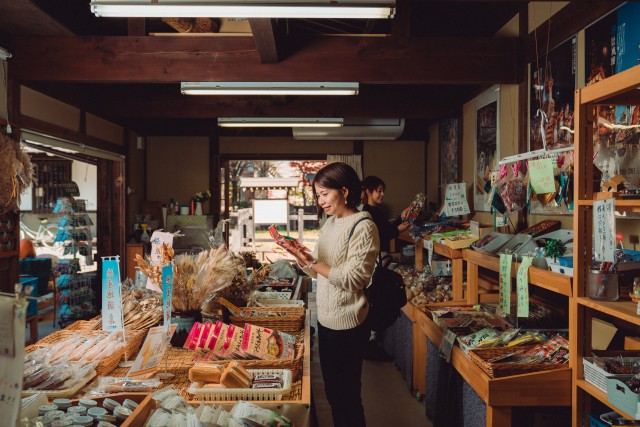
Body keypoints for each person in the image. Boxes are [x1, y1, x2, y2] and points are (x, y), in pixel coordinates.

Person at [282, 162, 379, 427]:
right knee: (334, 395)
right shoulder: (330, 224)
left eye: (325, 194)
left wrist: (315, 264)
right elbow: (322, 273)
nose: (320, 200)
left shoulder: (363, 227)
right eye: (317, 195)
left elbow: (354, 279)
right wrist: (303, 259)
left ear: (344, 191)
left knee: (347, 398)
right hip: (325, 320)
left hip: (348, 325)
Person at [361, 175, 410, 361]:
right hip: (371, 264)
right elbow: (381, 235)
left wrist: (400, 219)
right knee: (373, 303)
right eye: (379, 190)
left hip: (376, 262)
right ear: (368, 191)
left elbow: (385, 228)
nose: (382, 194)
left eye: (383, 190)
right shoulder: (367, 212)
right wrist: (398, 230)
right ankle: (369, 346)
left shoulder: (375, 211)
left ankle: (372, 344)